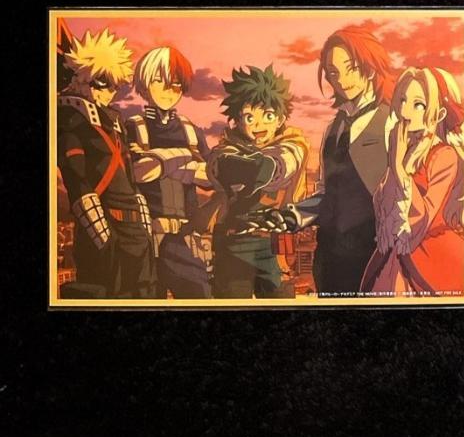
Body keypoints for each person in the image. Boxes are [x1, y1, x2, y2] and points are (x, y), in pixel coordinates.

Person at [251, 27, 394, 297]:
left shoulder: (391, 122)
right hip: (329, 257)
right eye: (333, 72)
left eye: (351, 68)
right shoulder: (332, 129)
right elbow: (327, 194)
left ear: (370, 67)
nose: (342, 80)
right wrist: (292, 216)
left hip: (373, 255)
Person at [57, 27, 154, 299]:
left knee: (145, 294)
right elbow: (77, 181)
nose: (110, 91)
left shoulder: (115, 121)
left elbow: (130, 175)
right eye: (103, 82)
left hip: (135, 227)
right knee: (109, 293)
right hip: (103, 225)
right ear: (81, 77)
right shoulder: (70, 117)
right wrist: (101, 233)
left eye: (114, 84)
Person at [203, 66, 308, 299]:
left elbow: (278, 166)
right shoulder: (226, 149)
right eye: (249, 117)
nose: (258, 126)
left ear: (280, 118)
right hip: (234, 242)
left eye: (268, 116)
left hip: (275, 246)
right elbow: (219, 168)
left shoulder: (292, 144)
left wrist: (255, 168)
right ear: (237, 121)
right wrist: (235, 167)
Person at [361, 67, 464, 296]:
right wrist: (396, 164)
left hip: (430, 256)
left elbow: (421, 219)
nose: (405, 112)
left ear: (439, 114)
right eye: (402, 100)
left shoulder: (444, 155)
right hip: (395, 255)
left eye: (418, 104)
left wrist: (399, 168)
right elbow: (384, 211)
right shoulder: (404, 150)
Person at [126, 46, 213, 299]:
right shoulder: (133, 127)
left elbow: (210, 177)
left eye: (175, 84)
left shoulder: (190, 130)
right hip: (144, 237)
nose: (168, 90)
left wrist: (161, 161)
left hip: (185, 238)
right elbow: (140, 173)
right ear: (144, 84)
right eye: (158, 81)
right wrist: (188, 161)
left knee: (200, 297)